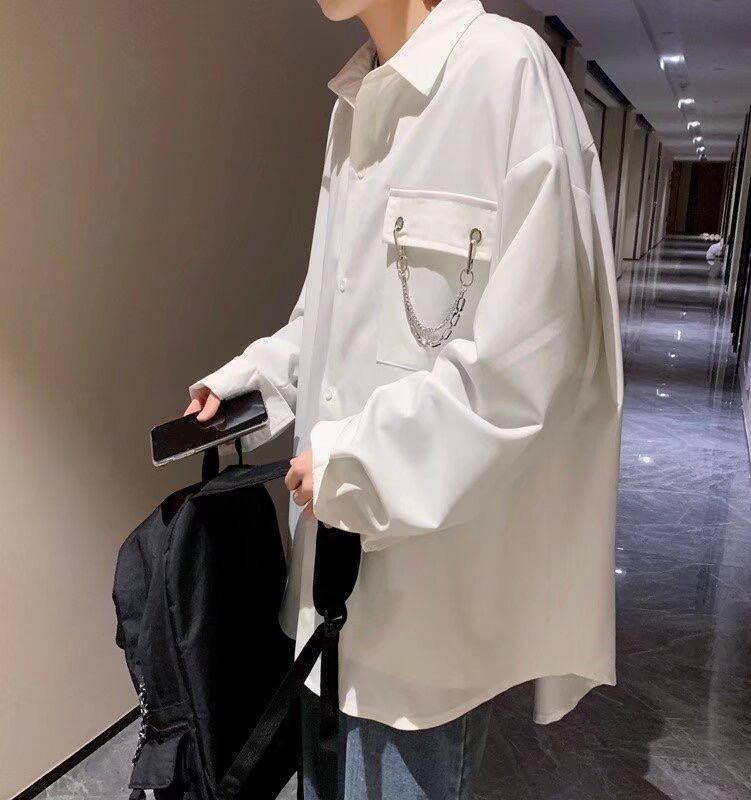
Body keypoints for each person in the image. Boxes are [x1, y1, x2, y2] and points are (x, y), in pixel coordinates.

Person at [184, 0, 623, 797]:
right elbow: (327, 316)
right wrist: (251, 383)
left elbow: (533, 362)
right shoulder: (354, 104)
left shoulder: (506, 74)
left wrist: (358, 463)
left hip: (427, 616)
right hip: (322, 591)